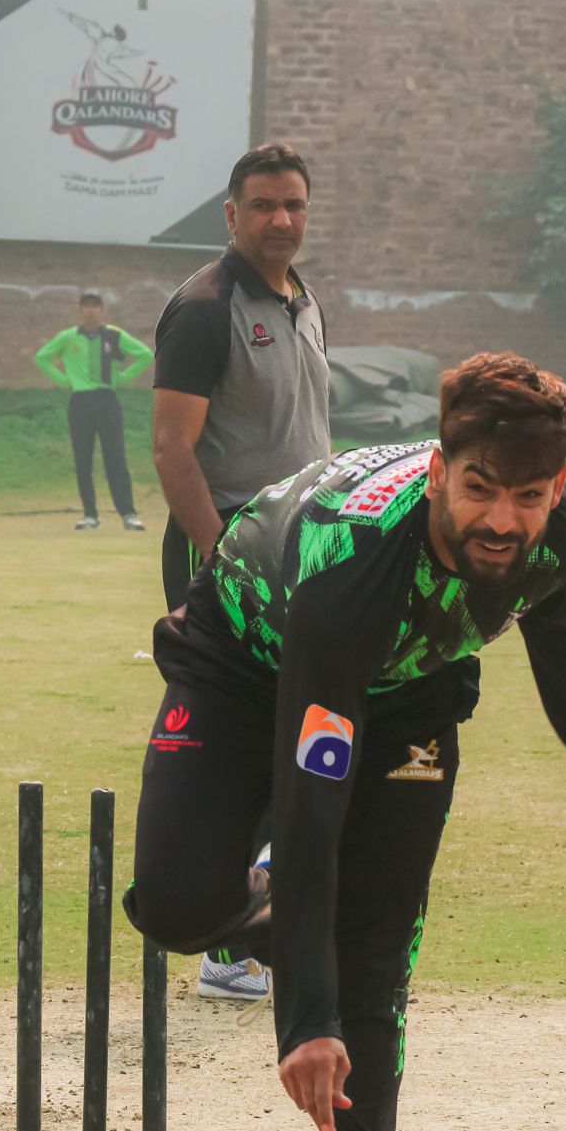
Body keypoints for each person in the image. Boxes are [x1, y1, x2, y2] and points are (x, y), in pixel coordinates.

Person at [124, 351, 566, 1131]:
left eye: (528, 496)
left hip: (409, 699)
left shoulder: (562, 533)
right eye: (479, 490)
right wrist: (304, 1015)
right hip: (247, 664)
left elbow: (562, 632)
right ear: (436, 471)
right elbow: (309, 807)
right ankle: (300, 945)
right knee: (178, 905)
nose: (502, 520)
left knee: (371, 962)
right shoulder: (354, 571)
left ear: (557, 484)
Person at [152, 140, 332, 1001]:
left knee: (293, 738)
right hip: (227, 558)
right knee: (232, 745)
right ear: (231, 214)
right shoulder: (204, 308)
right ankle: (226, 944)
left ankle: (259, 923)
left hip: (303, 555)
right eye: (262, 205)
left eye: (293, 204)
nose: (279, 219)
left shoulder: (304, 300)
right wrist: (224, 563)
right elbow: (172, 448)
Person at [34, 292, 153, 532]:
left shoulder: (114, 335)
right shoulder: (68, 337)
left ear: (102, 309)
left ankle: (128, 514)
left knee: (115, 457)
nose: (90, 311)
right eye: (86, 306)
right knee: (83, 459)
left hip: (107, 400)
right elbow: (42, 358)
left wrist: (122, 378)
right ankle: (90, 514)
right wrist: (66, 381)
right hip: (80, 401)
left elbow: (145, 355)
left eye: (95, 306)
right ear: (80, 310)